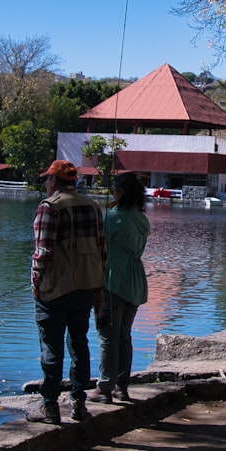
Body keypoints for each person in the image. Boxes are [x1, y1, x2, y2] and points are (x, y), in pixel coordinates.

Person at [26, 160, 106, 425]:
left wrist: (35, 283)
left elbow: (43, 252)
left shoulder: (49, 207)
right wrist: (99, 287)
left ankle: (49, 406)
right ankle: (78, 402)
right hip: (86, 286)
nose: (45, 184)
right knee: (79, 344)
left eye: (47, 180)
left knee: (51, 347)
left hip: (55, 290)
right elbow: (102, 251)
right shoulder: (93, 207)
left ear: (54, 182)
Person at [88, 172, 149, 404]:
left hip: (114, 281)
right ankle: (122, 387)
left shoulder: (113, 217)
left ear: (121, 193)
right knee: (124, 336)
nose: (111, 193)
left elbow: (97, 246)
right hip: (135, 282)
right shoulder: (142, 218)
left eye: (114, 189)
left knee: (108, 336)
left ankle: (105, 388)